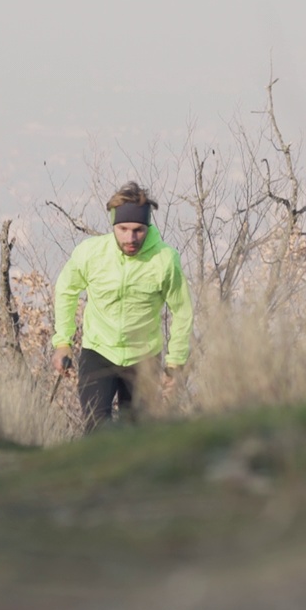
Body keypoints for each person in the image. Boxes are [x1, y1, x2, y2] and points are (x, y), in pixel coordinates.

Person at [51, 181, 193, 431]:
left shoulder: (165, 260)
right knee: (96, 429)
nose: (130, 238)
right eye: (123, 229)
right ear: (113, 226)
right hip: (99, 352)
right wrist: (62, 342)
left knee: (136, 436)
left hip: (144, 358)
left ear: (148, 227)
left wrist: (176, 362)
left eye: (138, 230)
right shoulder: (91, 254)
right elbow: (66, 289)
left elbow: (182, 310)